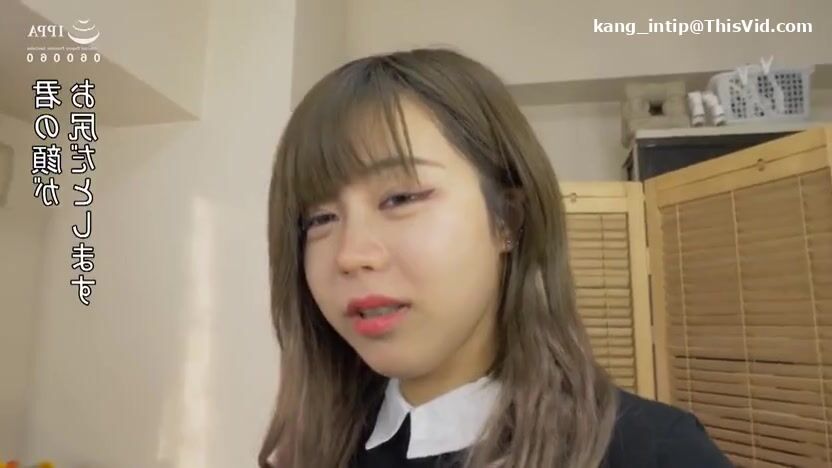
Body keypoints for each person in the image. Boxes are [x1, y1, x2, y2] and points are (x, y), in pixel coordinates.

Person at [259, 48, 731, 468]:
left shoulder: (657, 452)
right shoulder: (311, 452)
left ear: (507, 218)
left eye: (400, 198)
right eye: (318, 219)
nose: (349, 255)